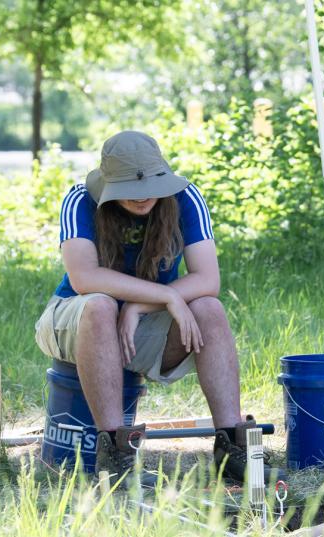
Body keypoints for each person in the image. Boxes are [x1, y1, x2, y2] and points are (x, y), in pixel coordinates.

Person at [33, 130, 256, 482]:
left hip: (142, 326)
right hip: (75, 322)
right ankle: (115, 454)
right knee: (100, 306)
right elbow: (83, 279)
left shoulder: (186, 197)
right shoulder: (79, 199)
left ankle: (232, 448)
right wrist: (166, 295)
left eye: (152, 185)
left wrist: (138, 306)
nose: (144, 197)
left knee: (210, 309)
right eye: (130, 190)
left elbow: (207, 279)